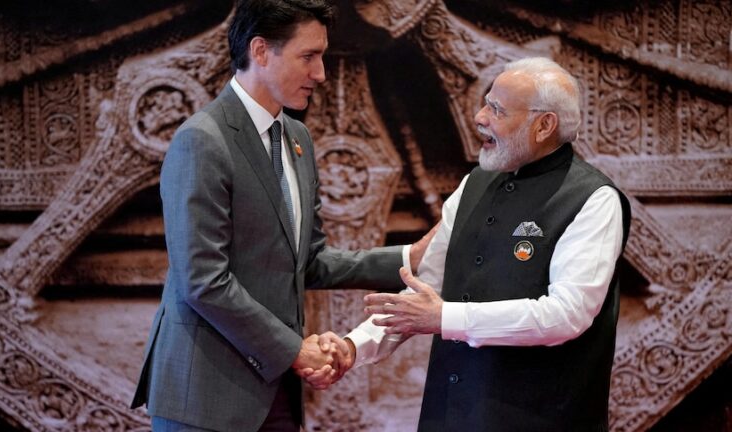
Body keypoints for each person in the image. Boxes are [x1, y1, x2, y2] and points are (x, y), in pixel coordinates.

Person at [129, 1, 431, 430]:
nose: (321, 73)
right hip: (206, 400)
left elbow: (308, 258)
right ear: (260, 51)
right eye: (308, 56)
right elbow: (202, 280)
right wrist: (294, 350)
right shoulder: (202, 140)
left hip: (277, 394)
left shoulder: (297, 138)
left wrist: (408, 259)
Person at [346, 57, 632, 431]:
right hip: (448, 416)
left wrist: (446, 318)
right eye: (486, 103)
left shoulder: (593, 199)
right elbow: (425, 293)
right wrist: (352, 348)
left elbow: (567, 314)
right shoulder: (474, 184)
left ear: (544, 125)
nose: (479, 117)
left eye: (497, 109)